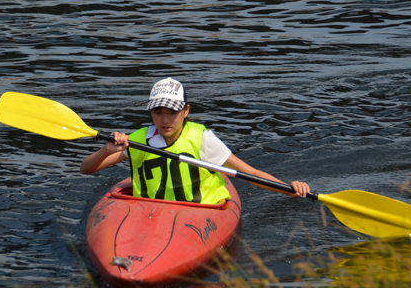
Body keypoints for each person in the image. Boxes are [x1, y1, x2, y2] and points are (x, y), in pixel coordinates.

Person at [80, 77, 310, 204]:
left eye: (172, 112)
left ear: (186, 110)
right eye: (158, 112)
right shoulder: (138, 140)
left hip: (199, 213)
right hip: (150, 213)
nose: (165, 120)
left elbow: (250, 174)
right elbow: (86, 169)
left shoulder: (203, 140)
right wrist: (106, 150)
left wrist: (290, 189)